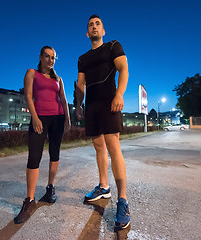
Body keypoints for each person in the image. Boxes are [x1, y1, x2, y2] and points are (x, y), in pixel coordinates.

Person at [76, 14, 130, 229]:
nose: (94, 26)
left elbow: (123, 69)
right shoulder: (82, 58)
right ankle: (103, 187)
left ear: (103, 30)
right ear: (87, 33)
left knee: (113, 146)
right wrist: (78, 105)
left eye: (98, 24)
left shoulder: (113, 46)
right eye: (91, 24)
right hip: (91, 106)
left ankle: (123, 200)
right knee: (98, 147)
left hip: (109, 101)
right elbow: (81, 85)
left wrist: (120, 94)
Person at [14, 46, 71, 224]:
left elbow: (63, 99)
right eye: (47, 56)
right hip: (40, 118)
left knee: (55, 154)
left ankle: (50, 188)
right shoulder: (31, 73)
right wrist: (35, 118)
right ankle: (29, 200)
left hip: (58, 118)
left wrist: (67, 119)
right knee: (34, 157)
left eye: (53, 57)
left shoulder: (58, 79)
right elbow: (29, 97)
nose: (50, 60)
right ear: (40, 57)